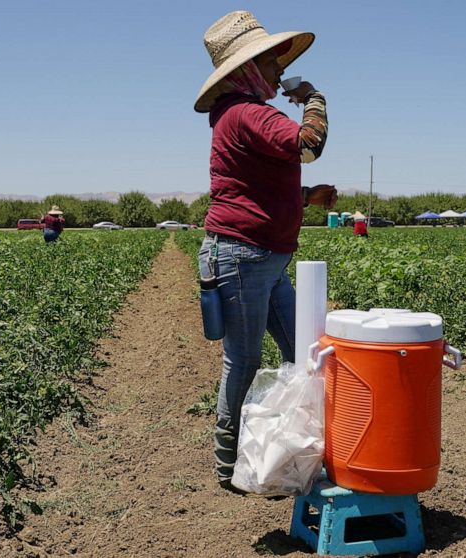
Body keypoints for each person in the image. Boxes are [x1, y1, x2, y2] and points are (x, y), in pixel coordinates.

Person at [194, 10, 336, 494]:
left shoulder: (238, 115)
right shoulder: (249, 112)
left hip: (263, 258)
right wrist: (314, 97)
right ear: (246, 69)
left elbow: (252, 189)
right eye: (271, 63)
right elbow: (308, 143)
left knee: (303, 348)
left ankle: (289, 443)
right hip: (243, 257)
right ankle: (228, 463)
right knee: (244, 359)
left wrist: (304, 196)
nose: (279, 71)